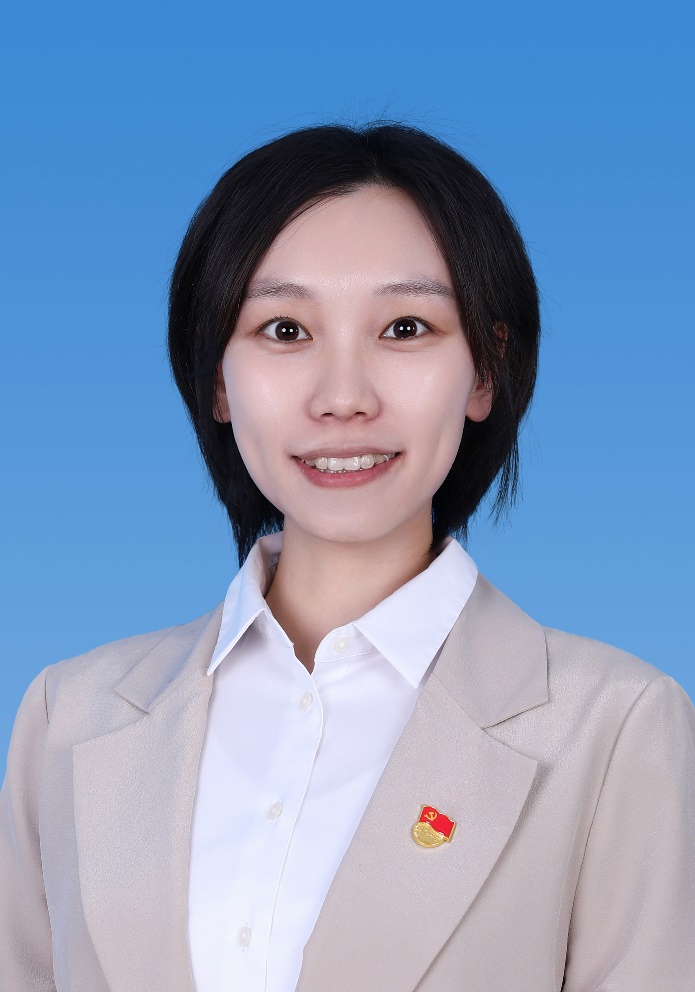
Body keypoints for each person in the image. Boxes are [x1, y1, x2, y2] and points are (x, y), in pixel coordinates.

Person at [1, 122, 693, 992]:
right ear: (216, 378)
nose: (342, 397)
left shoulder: (615, 729)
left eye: (404, 327)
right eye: (284, 329)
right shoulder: (69, 716)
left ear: (485, 370)